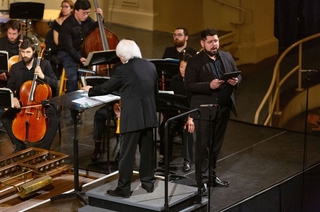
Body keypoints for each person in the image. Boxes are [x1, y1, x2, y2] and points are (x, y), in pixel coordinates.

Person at [83, 39, 158, 198]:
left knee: (126, 155)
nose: (120, 60)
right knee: (147, 152)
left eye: (120, 57)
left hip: (132, 118)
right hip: (149, 115)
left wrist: (91, 90)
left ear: (123, 56)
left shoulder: (124, 70)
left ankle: (123, 189)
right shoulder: (150, 66)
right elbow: (155, 92)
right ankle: (148, 182)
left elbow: (107, 87)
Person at [185, 28, 242, 188]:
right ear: (202, 43)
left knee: (216, 146)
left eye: (216, 41)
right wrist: (208, 85)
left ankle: (211, 176)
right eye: (210, 42)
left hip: (223, 109)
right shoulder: (195, 61)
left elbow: (238, 74)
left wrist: (236, 80)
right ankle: (201, 180)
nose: (214, 44)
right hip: (204, 110)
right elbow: (188, 85)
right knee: (203, 147)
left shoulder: (226, 56)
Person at [0, 39, 59, 151]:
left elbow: (55, 83)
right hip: (22, 104)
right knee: (5, 118)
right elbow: (10, 87)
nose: (25, 55)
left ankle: (43, 148)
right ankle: (19, 145)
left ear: (33, 52)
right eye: (22, 52)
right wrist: (14, 99)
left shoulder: (44, 64)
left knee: (55, 119)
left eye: (28, 52)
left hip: (42, 104)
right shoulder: (16, 67)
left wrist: (43, 76)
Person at [58, 0, 103, 122]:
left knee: (88, 77)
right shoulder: (66, 26)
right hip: (67, 53)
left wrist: (100, 18)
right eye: (84, 13)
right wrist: (79, 58)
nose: (87, 16)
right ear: (76, 11)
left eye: (88, 13)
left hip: (82, 51)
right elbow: (69, 48)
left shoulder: (87, 20)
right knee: (73, 78)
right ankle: (74, 110)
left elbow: (95, 27)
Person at [158, 53, 195, 172]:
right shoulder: (175, 79)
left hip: (190, 114)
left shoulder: (195, 81)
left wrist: (190, 118)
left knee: (187, 129)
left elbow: (195, 102)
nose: (183, 70)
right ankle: (166, 156)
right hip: (175, 112)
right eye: (181, 67)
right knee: (164, 127)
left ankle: (187, 160)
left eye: (186, 67)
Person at [0, 20, 32, 133]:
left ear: (19, 32)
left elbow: (33, 57)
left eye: (14, 34)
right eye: (9, 33)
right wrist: (1, 72)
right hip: (4, 75)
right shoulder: (1, 42)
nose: (12, 36)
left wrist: (22, 49)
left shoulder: (26, 41)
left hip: (21, 75)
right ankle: (3, 117)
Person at [43, 0, 74, 78]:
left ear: (72, 9)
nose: (64, 9)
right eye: (62, 7)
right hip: (60, 49)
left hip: (72, 48)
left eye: (66, 7)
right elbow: (57, 41)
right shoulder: (58, 21)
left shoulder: (75, 21)